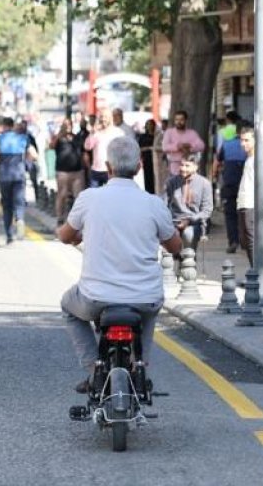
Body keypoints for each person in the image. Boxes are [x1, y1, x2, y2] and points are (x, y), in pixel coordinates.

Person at [57, 136, 183, 392]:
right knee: (149, 312)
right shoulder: (154, 204)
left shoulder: (89, 198)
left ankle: (94, 370)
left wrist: (84, 235)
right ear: (139, 167)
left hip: (95, 297)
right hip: (145, 296)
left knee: (68, 307)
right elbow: (176, 247)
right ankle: (141, 366)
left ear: (108, 166)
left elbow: (65, 235)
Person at [0, 117, 36, 244]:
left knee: (7, 206)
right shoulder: (22, 138)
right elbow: (34, 154)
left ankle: (9, 235)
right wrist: (28, 163)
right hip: (19, 175)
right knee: (19, 202)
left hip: (4, 176)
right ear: (13, 125)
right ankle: (20, 218)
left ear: (4, 126)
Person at [213, 112, 246, 254]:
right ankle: (246, 240)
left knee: (230, 213)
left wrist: (214, 176)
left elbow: (216, 162)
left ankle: (233, 241)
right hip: (246, 184)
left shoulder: (226, 145)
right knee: (246, 213)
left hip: (229, 182)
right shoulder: (251, 147)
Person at [49, 117, 87, 226]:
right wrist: (60, 134)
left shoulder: (76, 137)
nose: (68, 126)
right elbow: (51, 146)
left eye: (69, 124)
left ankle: (77, 221)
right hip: (63, 172)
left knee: (79, 197)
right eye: (65, 125)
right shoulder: (59, 138)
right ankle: (60, 218)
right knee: (62, 195)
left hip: (77, 172)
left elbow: (83, 151)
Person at [236, 127, 259, 266]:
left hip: (251, 204)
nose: (243, 144)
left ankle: (256, 272)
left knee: (251, 240)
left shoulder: (258, 160)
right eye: (241, 140)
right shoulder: (249, 159)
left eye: (247, 140)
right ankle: (254, 270)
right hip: (244, 203)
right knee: (245, 241)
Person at [161, 110, 205, 178]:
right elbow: (164, 147)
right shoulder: (169, 132)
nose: (179, 122)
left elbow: (202, 145)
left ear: (185, 120)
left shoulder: (192, 133)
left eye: (181, 119)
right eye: (177, 119)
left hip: (189, 169)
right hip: (174, 168)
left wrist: (189, 146)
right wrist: (178, 146)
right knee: (175, 187)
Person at [84, 110, 117, 188]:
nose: (103, 119)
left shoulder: (115, 132)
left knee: (109, 198)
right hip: (96, 170)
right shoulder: (97, 133)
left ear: (110, 118)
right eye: (101, 117)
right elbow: (87, 147)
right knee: (94, 197)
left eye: (105, 117)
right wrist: (92, 132)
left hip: (110, 171)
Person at [137, 119, 160, 194]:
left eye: (151, 124)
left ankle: (156, 191)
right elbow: (139, 148)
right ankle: (148, 192)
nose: (149, 126)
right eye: (147, 124)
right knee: (147, 177)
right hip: (146, 159)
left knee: (156, 177)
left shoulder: (157, 136)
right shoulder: (142, 136)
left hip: (156, 159)